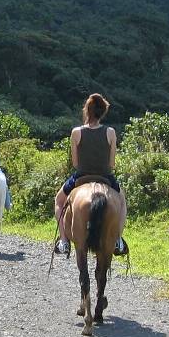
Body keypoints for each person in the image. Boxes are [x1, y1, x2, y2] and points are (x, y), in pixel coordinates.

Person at [53, 94, 128, 256]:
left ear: (87, 111)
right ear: (102, 112)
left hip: (81, 176)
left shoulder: (76, 132)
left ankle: (64, 241)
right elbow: (112, 164)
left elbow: (75, 163)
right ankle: (118, 240)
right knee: (121, 202)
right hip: (105, 177)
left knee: (59, 201)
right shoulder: (110, 132)